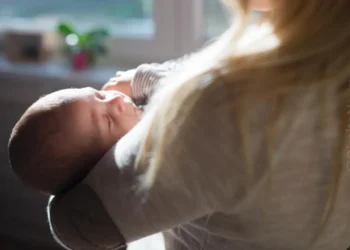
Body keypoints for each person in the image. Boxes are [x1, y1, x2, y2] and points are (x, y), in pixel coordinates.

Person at [50, 0, 350, 250]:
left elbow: (76, 223)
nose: (114, 102)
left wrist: (79, 170)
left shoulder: (227, 106)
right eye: (102, 114)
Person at [7, 62, 179, 195]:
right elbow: (188, 88)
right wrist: (139, 79)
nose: (116, 101)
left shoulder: (137, 108)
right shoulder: (148, 149)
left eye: (99, 95)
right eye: (108, 120)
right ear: (106, 161)